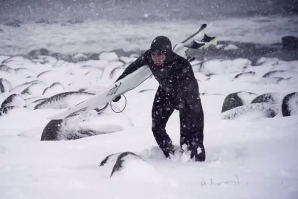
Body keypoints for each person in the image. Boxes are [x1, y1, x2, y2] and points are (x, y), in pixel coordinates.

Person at [115, 36, 205, 162]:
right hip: (165, 92)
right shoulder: (148, 57)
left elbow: (189, 89)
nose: (156, 58)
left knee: (190, 139)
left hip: (188, 99)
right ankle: (170, 154)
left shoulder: (182, 64)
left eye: (160, 55)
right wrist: (117, 88)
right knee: (157, 127)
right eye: (154, 55)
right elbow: (132, 69)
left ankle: (197, 163)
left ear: (167, 54)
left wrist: (181, 105)